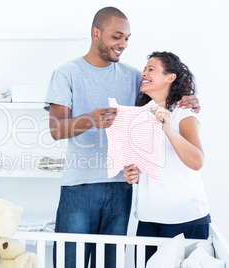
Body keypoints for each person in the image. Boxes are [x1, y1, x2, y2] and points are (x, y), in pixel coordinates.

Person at [44, 6, 200, 268]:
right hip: (79, 186)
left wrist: (189, 99)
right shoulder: (66, 73)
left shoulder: (133, 76)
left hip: (122, 186)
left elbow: (165, 90)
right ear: (96, 33)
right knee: (70, 262)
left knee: (110, 263)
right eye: (117, 37)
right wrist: (91, 120)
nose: (123, 44)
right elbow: (55, 129)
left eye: (127, 38)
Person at [124, 51, 210, 263]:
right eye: (144, 69)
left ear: (170, 77)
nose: (144, 73)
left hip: (185, 219)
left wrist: (169, 130)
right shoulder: (141, 114)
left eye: (150, 69)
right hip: (147, 219)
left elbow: (197, 161)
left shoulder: (184, 113)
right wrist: (132, 173)